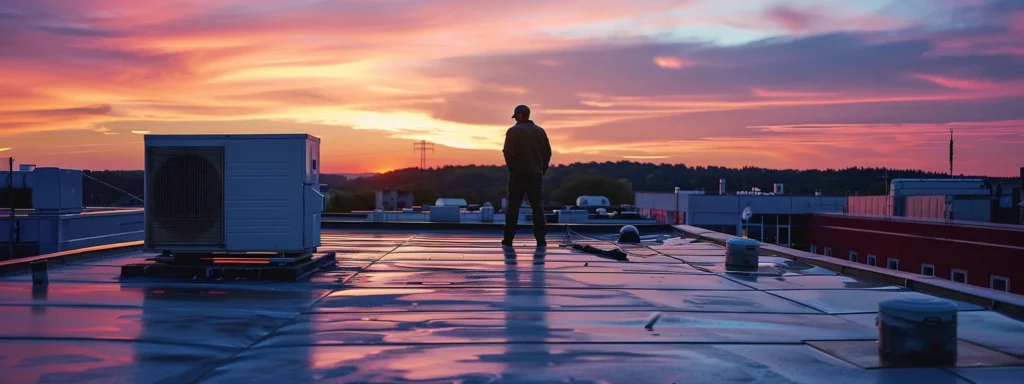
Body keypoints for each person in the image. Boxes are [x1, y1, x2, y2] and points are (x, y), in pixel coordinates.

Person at [502, 104, 552, 247]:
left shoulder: (513, 131)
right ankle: (541, 239)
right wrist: (541, 170)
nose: (515, 119)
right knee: (537, 207)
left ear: (520, 115)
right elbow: (547, 153)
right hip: (535, 174)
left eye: (516, 116)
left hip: (517, 175)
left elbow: (506, 151)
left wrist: (512, 167)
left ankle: (508, 238)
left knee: (513, 208)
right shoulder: (540, 132)